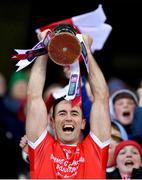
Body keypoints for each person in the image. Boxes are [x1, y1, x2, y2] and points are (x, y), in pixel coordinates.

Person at [26, 29, 111, 179]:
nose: (68, 118)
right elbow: (34, 96)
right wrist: (44, 49)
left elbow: (102, 98)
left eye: (74, 113)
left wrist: (87, 52)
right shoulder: (41, 149)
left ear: (83, 123)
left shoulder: (95, 150)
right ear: (51, 122)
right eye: (62, 113)